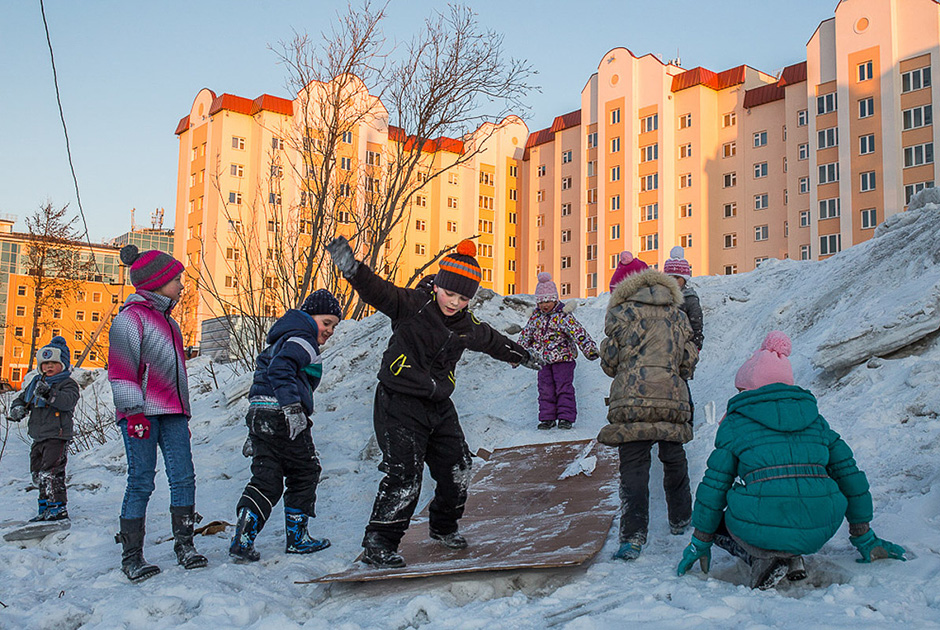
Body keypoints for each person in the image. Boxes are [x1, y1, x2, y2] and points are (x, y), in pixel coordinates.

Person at [326, 236, 541, 568]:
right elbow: (378, 290)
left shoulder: (465, 325)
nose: (454, 302)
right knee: (405, 476)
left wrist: (521, 355)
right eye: (450, 293)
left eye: (463, 298)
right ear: (439, 285)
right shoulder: (412, 304)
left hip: (438, 406)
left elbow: (492, 340)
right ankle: (379, 543)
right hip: (399, 401)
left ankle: (443, 527)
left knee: (459, 468)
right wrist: (353, 270)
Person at [677, 331, 906, 590]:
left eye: (740, 389)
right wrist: (864, 536)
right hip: (821, 527)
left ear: (750, 389)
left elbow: (714, 487)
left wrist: (700, 540)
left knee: (721, 518)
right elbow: (850, 477)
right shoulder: (816, 421)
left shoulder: (736, 423)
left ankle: (762, 559)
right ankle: (793, 558)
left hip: (764, 527)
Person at [109, 245, 207, 582]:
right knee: (141, 481)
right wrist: (133, 412)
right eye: (176, 280)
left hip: (173, 415)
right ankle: (132, 556)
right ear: (157, 282)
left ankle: (185, 544)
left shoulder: (171, 323)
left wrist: (183, 413)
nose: (181, 285)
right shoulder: (130, 318)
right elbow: (121, 371)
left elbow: (175, 375)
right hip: (142, 416)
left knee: (183, 477)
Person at [229, 289, 341, 563]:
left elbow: (263, 379)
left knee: (266, 479)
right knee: (305, 472)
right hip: (284, 416)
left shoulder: (280, 339)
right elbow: (280, 370)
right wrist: (292, 408)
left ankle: (243, 537)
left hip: (262, 414)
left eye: (334, 326)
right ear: (308, 316)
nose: (329, 331)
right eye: (326, 323)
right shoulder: (302, 338)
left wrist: (254, 429)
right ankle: (298, 538)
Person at [599, 263, 699, 561]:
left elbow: (609, 362)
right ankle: (681, 520)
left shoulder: (620, 314)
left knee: (634, 467)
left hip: (632, 398)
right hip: (671, 396)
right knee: (674, 458)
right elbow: (688, 360)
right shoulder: (678, 315)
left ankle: (633, 536)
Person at [7, 337, 80, 522]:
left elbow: (67, 402)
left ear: (62, 365)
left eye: (54, 363)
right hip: (38, 436)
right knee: (38, 473)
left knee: (51, 472)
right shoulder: (35, 383)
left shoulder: (67, 384)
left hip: (57, 435)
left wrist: (49, 394)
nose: (49, 367)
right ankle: (44, 507)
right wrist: (18, 409)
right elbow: (22, 399)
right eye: (45, 363)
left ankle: (58, 507)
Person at [518, 272, 599, 430]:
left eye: (548, 300)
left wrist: (589, 349)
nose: (545, 305)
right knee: (545, 389)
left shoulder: (563, 316)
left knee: (564, 387)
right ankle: (547, 418)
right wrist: (516, 355)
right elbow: (525, 337)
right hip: (543, 361)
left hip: (564, 360)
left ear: (555, 299)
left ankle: (565, 417)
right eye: (542, 302)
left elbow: (579, 333)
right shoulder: (535, 318)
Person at [662, 247, 703, 351]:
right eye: (670, 277)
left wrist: (695, 346)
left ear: (684, 279)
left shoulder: (690, 299)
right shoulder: (660, 297)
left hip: (683, 347)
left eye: (677, 278)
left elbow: (696, 324)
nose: (673, 281)